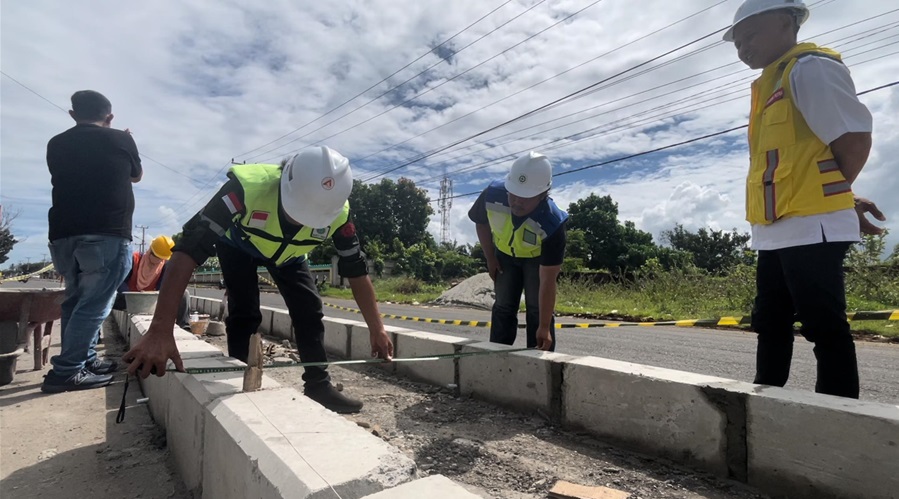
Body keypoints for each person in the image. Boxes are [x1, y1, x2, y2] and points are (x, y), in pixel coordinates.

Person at [123, 146, 393, 414]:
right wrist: (160, 329)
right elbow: (187, 250)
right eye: (296, 212)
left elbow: (356, 270)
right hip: (239, 245)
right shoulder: (244, 189)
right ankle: (241, 375)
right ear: (284, 182)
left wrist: (377, 329)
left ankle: (318, 385)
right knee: (244, 310)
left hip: (289, 255)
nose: (300, 222)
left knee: (309, 309)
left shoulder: (339, 213)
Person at [725, 0, 886, 398]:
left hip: (812, 224)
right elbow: (803, 160)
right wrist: (842, 196)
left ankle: (835, 416)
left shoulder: (810, 68)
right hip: (775, 229)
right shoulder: (769, 83)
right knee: (770, 322)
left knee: (823, 326)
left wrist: (834, 198)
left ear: (784, 23)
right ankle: (763, 405)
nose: (742, 48)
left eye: (750, 36)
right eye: (737, 42)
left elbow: (853, 139)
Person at [42, 90, 142, 393]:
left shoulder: (56, 143)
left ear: (72, 115)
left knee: (75, 299)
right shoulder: (120, 139)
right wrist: (119, 137)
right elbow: (136, 176)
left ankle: (83, 360)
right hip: (105, 232)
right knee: (95, 304)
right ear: (109, 117)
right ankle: (68, 371)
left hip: (62, 233)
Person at [468, 152, 567, 352]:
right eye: (513, 194)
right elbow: (481, 223)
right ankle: (497, 356)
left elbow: (548, 279)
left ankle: (540, 362)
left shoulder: (552, 222)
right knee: (503, 307)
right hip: (504, 257)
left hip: (536, 261)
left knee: (537, 312)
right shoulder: (492, 194)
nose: (517, 202)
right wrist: (490, 258)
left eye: (525, 197)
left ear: (542, 195)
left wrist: (545, 327)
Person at [113, 235, 191, 329]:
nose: (159, 261)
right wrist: (133, 295)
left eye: (162, 259)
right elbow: (120, 282)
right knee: (104, 298)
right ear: (150, 252)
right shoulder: (134, 260)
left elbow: (163, 288)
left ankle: (184, 326)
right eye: (157, 257)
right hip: (129, 299)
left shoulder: (164, 266)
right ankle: (95, 335)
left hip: (151, 301)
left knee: (184, 294)